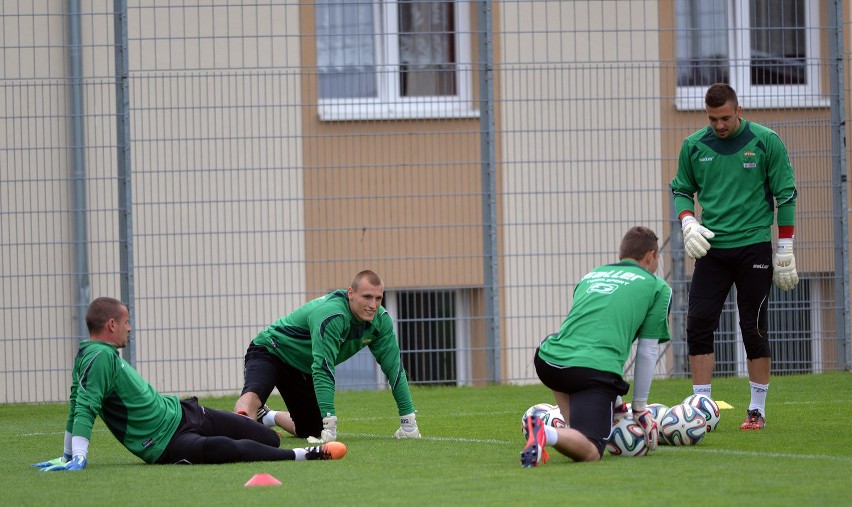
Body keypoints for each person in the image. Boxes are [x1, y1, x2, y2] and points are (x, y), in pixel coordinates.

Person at [32, 297, 346, 472]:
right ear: (112, 324)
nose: (130, 328)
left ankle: (266, 418)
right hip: (165, 444)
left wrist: (67, 452)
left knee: (267, 439)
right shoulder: (99, 356)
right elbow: (82, 406)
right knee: (226, 449)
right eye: (126, 322)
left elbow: (77, 402)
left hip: (182, 412)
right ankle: (309, 454)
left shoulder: (91, 353)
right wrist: (77, 455)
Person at [670, 83, 799, 431]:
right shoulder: (694, 146)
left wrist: (784, 246)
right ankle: (700, 407)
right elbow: (681, 189)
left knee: (753, 327)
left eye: (725, 118)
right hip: (711, 248)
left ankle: (756, 410)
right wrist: (688, 222)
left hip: (753, 246)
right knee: (698, 324)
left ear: (739, 110)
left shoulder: (765, 141)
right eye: (713, 119)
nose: (720, 125)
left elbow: (785, 195)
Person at [521, 226, 671, 467]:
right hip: (590, 371)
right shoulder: (658, 287)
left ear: (622, 254)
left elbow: (589, 331)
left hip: (549, 360)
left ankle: (571, 430)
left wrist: (618, 403)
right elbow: (647, 351)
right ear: (651, 255)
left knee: (579, 424)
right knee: (591, 450)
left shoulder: (592, 275)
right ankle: (545, 432)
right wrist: (640, 409)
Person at [233, 270, 420, 443]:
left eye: (378, 298)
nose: (373, 305)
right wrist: (330, 427)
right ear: (351, 294)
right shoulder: (332, 315)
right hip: (271, 349)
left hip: (301, 367)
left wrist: (409, 423)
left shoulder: (381, 321)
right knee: (254, 394)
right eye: (367, 297)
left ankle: (267, 416)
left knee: (312, 430)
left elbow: (394, 369)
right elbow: (323, 367)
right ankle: (238, 435)